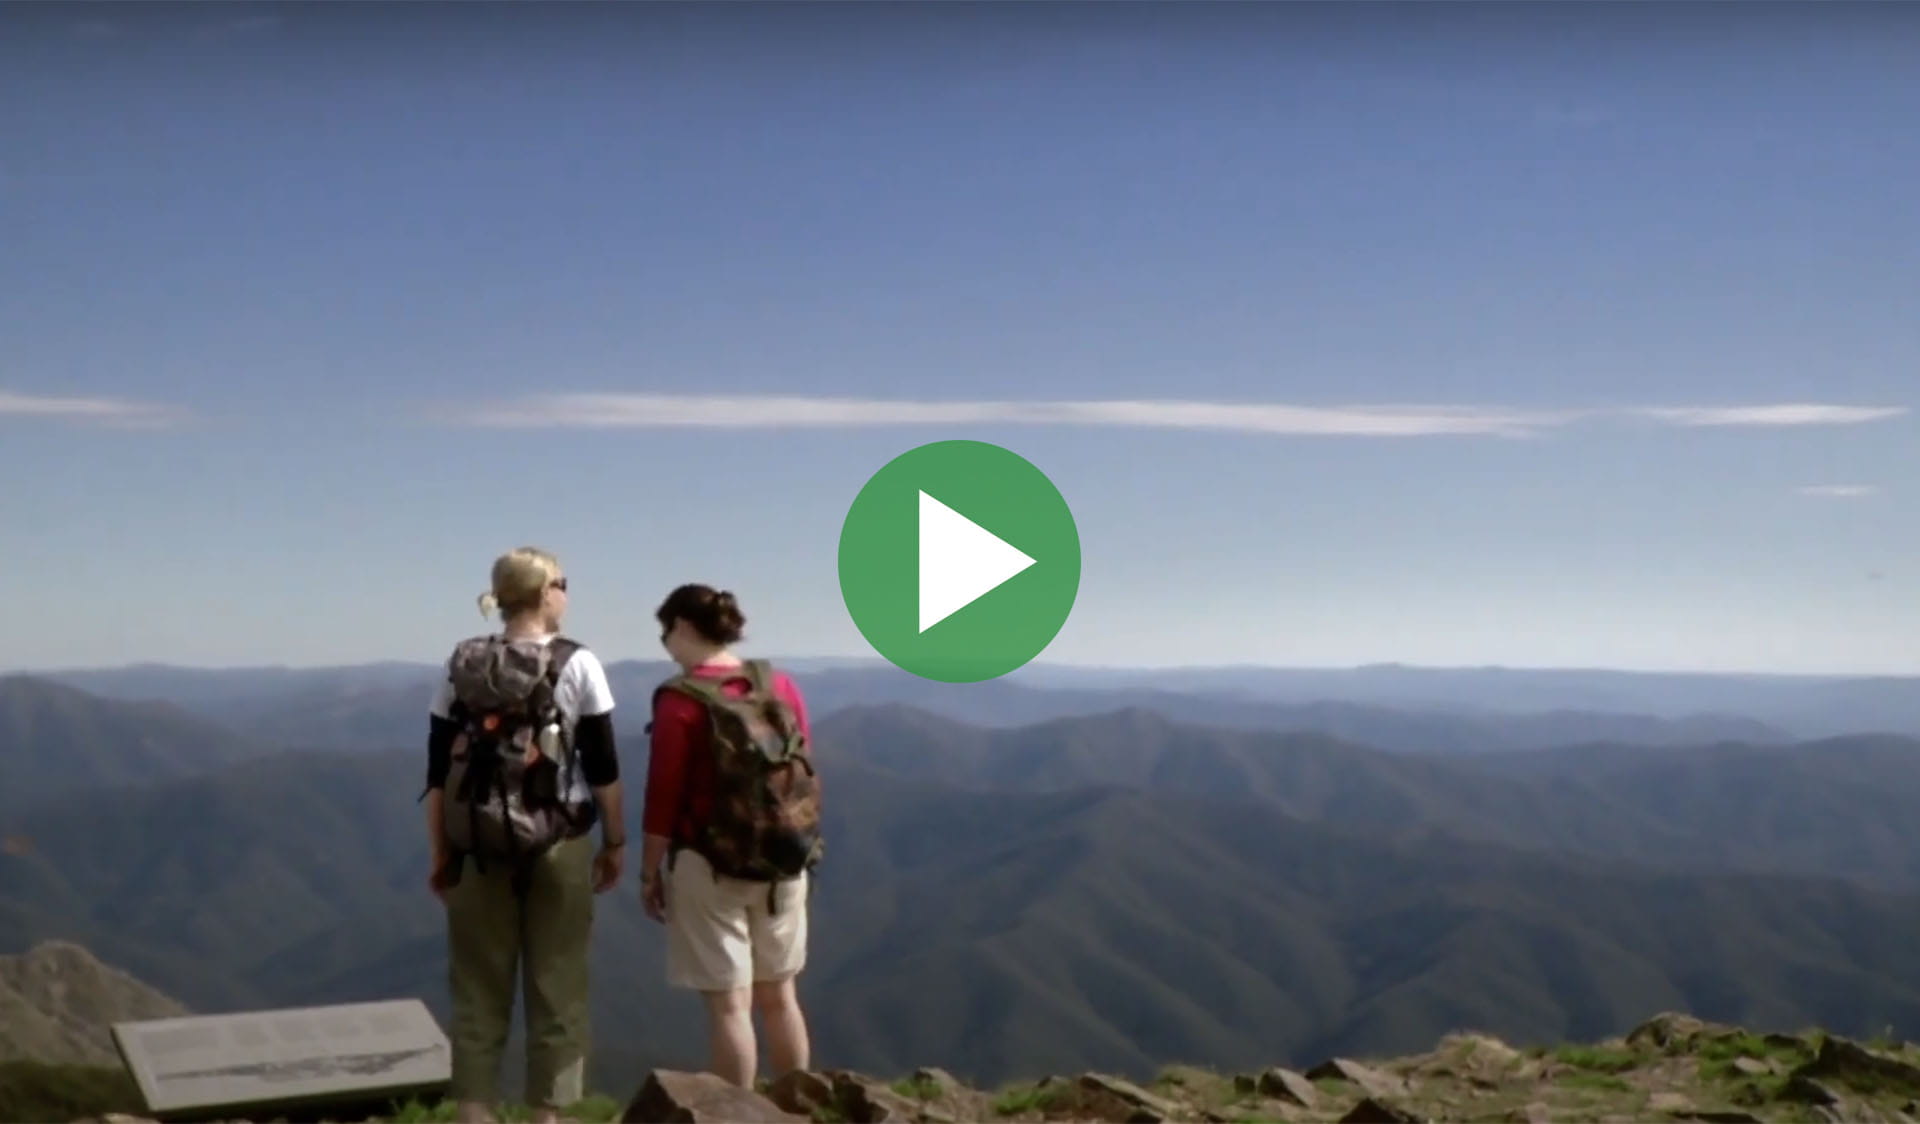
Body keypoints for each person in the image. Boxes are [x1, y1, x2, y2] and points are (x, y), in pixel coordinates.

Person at [422, 547, 626, 1124]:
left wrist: (441, 850)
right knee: (557, 984)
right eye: (563, 582)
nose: (567, 592)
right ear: (542, 594)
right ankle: (547, 1115)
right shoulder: (578, 664)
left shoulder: (461, 664)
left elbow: (438, 771)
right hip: (559, 842)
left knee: (477, 987)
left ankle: (474, 1111)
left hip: (474, 847)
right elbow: (604, 769)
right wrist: (615, 842)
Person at [640, 583, 821, 1089]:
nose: (666, 645)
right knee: (781, 996)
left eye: (666, 632)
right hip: (784, 857)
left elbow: (664, 795)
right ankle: (798, 1107)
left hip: (710, 863)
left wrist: (649, 870)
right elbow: (802, 763)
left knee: (729, 1007)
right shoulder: (777, 685)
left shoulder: (681, 700)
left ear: (682, 627)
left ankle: (735, 1115)